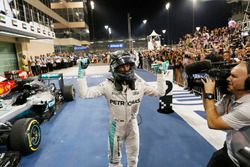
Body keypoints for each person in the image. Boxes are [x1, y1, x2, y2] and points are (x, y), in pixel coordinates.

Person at [77, 51, 166, 167]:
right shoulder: (107, 85)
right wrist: (81, 73)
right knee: (114, 162)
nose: (126, 69)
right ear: (115, 68)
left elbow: (160, 92)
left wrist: (160, 74)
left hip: (132, 125)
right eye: (122, 66)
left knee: (133, 160)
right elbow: (84, 93)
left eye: (128, 65)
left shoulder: (139, 84)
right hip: (115, 127)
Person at [201, 61, 250, 167]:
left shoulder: (248, 107)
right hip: (229, 149)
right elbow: (211, 111)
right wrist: (204, 89)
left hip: (243, 160)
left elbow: (213, 123)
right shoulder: (231, 96)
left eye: (234, 76)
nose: (228, 79)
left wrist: (210, 95)